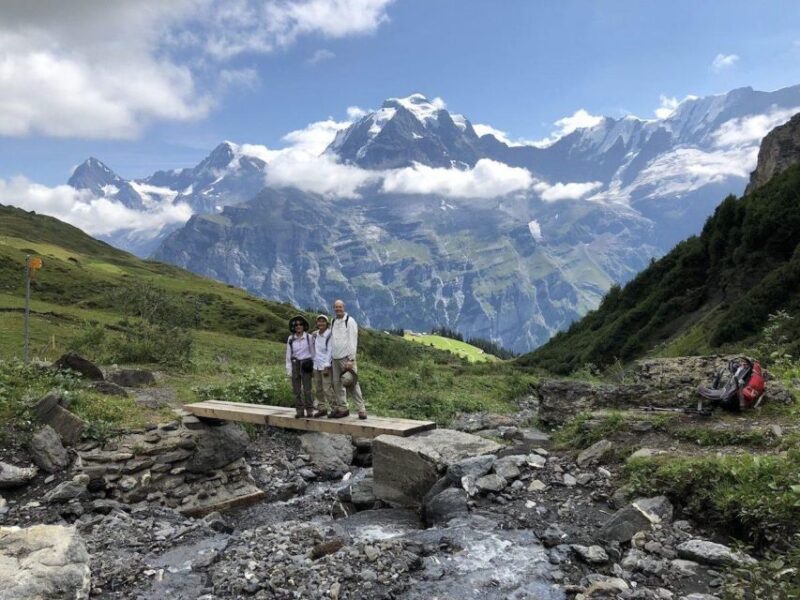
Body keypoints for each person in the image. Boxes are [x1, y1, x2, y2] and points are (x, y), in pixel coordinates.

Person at [329, 299, 367, 419]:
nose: (338, 309)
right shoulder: (333, 321)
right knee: (337, 384)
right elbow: (331, 337)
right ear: (333, 308)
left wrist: (351, 359)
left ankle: (361, 410)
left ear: (344, 307)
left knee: (352, 383)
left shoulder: (350, 321)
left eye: (340, 307)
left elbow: (353, 340)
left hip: (346, 358)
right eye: (336, 307)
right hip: (335, 357)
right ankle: (343, 408)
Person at [285, 315, 315, 418]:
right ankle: (299, 410)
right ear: (293, 326)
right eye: (296, 324)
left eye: (300, 324)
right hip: (295, 364)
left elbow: (313, 353)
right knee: (296, 389)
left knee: (307, 389)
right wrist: (289, 369)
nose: (298, 326)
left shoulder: (309, 337)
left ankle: (310, 409)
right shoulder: (290, 338)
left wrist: (314, 367)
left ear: (304, 326)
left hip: (306, 364)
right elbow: (288, 354)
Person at [311, 314, 334, 418]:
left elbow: (330, 350)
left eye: (323, 321)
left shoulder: (329, 335)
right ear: (316, 323)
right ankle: (322, 408)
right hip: (316, 365)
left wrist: (327, 365)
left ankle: (335, 408)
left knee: (327, 388)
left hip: (325, 366)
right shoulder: (315, 335)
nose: (321, 323)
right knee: (318, 388)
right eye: (319, 321)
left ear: (327, 323)